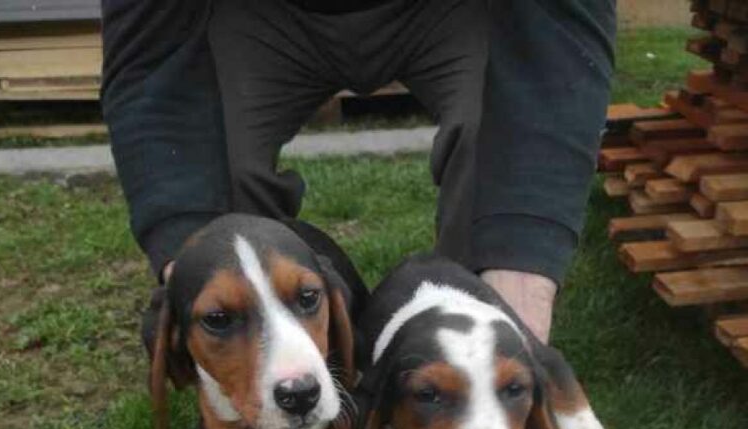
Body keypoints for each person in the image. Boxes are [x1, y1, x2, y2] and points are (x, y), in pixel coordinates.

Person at [101, 0, 615, 343]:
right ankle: (273, 357)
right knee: (219, 180)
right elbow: (154, 57)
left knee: (493, 133)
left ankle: (469, 348)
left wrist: (522, 262)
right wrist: (189, 251)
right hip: (257, 12)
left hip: (458, 9)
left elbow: (556, 37)